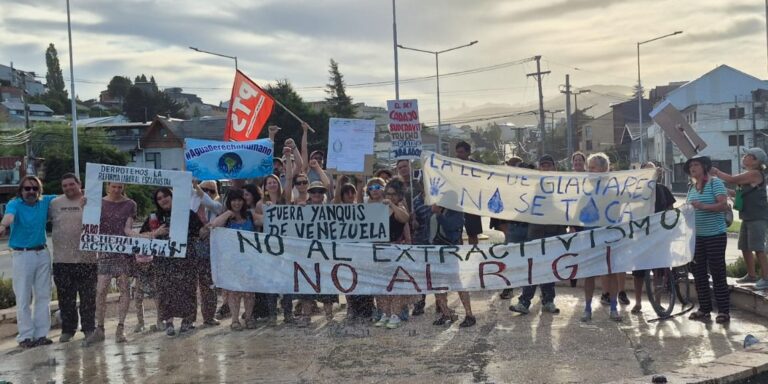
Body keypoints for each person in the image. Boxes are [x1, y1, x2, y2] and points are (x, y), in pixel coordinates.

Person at [140, 187, 205, 336]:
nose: (163, 200)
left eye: (165, 196)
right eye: (159, 198)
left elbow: (200, 231)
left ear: (172, 196)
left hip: (186, 258)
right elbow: (142, 235)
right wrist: (156, 233)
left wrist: (211, 228)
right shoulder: (153, 217)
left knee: (187, 288)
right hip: (163, 260)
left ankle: (187, 321)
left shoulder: (186, 213)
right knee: (164, 290)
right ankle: (168, 322)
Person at [0, 175, 56, 348]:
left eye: (34, 188)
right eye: (27, 188)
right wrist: (3, 226)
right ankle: (25, 337)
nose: (31, 191)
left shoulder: (45, 201)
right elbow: (9, 217)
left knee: (43, 296)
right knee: (23, 296)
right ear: (21, 190)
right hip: (22, 255)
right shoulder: (14, 203)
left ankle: (41, 335)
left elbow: (69, 197)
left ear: (39, 190)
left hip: (42, 253)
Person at [509, 155, 565, 316]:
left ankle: (548, 301)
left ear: (554, 167)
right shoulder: (532, 185)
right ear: (539, 168)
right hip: (535, 232)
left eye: (549, 165)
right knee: (532, 267)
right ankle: (524, 302)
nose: (546, 168)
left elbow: (567, 205)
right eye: (543, 165)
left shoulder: (563, 184)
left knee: (549, 267)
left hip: (555, 231)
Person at [85, 182, 137, 345]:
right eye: (113, 186)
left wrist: (141, 236)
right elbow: (90, 227)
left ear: (123, 187)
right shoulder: (97, 202)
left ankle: (120, 328)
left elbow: (127, 229)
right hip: (105, 252)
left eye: (119, 187)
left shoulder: (130, 204)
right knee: (101, 290)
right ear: (108, 186)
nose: (116, 190)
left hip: (123, 253)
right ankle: (100, 328)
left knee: (124, 289)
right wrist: (83, 208)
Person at [711, 147, 768, 289]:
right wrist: (720, 190)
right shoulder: (749, 174)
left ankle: (766, 278)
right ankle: (751, 275)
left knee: (758, 248)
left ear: (755, 160)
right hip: (747, 217)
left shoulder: (755, 174)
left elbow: (731, 179)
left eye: (747, 155)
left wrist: (716, 172)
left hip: (757, 217)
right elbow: (738, 194)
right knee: (744, 246)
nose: (744, 157)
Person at [49, 173, 97, 343]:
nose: (68, 188)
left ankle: (89, 328)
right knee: (66, 298)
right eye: (65, 185)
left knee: (88, 298)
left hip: (88, 259)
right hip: (62, 260)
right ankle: (68, 330)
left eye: (71, 184)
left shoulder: (91, 200)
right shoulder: (54, 203)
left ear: (79, 184)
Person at [208, 189, 262, 330]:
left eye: (239, 200)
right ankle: (234, 320)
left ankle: (249, 318)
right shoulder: (226, 219)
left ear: (243, 201)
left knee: (250, 292)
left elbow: (265, 220)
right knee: (234, 292)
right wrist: (228, 213)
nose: (237, 203)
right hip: (231, 262)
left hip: (250, 261)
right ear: (229, 202)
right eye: (234, 200)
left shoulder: (250, 215)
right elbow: (214, 225)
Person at [685, 156, 731, 323]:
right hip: (697, 237)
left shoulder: (715, 183)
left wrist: (703, 206)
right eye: (691, 166)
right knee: (699, 274)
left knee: (718, 272)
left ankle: (724, 311)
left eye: (696, 165)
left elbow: (723, 205)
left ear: (704, 167)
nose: (693, 168)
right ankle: (704, 308)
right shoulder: (692, 187)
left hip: (715, 235)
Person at [581, 153, 623, 322]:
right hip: (590, 236)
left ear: (603, 169)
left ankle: (614, 307)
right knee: (589, 274)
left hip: (609, 236)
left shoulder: (613, 191)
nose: (589, 171)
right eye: (588, 168)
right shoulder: (584, 191)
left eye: (592, 168)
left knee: (611, 272)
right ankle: (587, 308)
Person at [630, 162, 676, 314]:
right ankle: (637, 302)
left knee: (659, 271)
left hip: (659, 235)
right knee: (638, 272)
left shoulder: (663, 190)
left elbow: (671, 211)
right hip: (640, 236)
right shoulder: (636, 192)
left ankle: (657, 302)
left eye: (652, 170)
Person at [372, 178, 412, 329]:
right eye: (388, 194)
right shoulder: (377, 207)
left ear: (399, 195)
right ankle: (385, 313)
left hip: (395, 251)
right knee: (381, 285)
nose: (390, 197)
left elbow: (405, 218)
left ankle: (395, 314)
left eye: (393, 194)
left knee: (395, 285)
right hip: (379, 251)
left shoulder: (399, 207)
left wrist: (393, 206)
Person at [431, 204, 475, 327]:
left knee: (457, 283)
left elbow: (451, 227)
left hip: (450, 254)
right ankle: (446, 313)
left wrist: (439, 214)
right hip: (435, 252)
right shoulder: (433, 209)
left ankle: (469, 315)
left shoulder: (456, 212)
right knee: (437, 285)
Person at [454, 141, 483, 246]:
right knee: (457, 233)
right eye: (457, 152)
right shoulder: (452, 165)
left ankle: (474, 254)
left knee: (473, 233)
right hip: (456, 204)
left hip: (472, 203)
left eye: (461, 152)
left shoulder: (476, 166)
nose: (458, 155)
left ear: (468, 152)